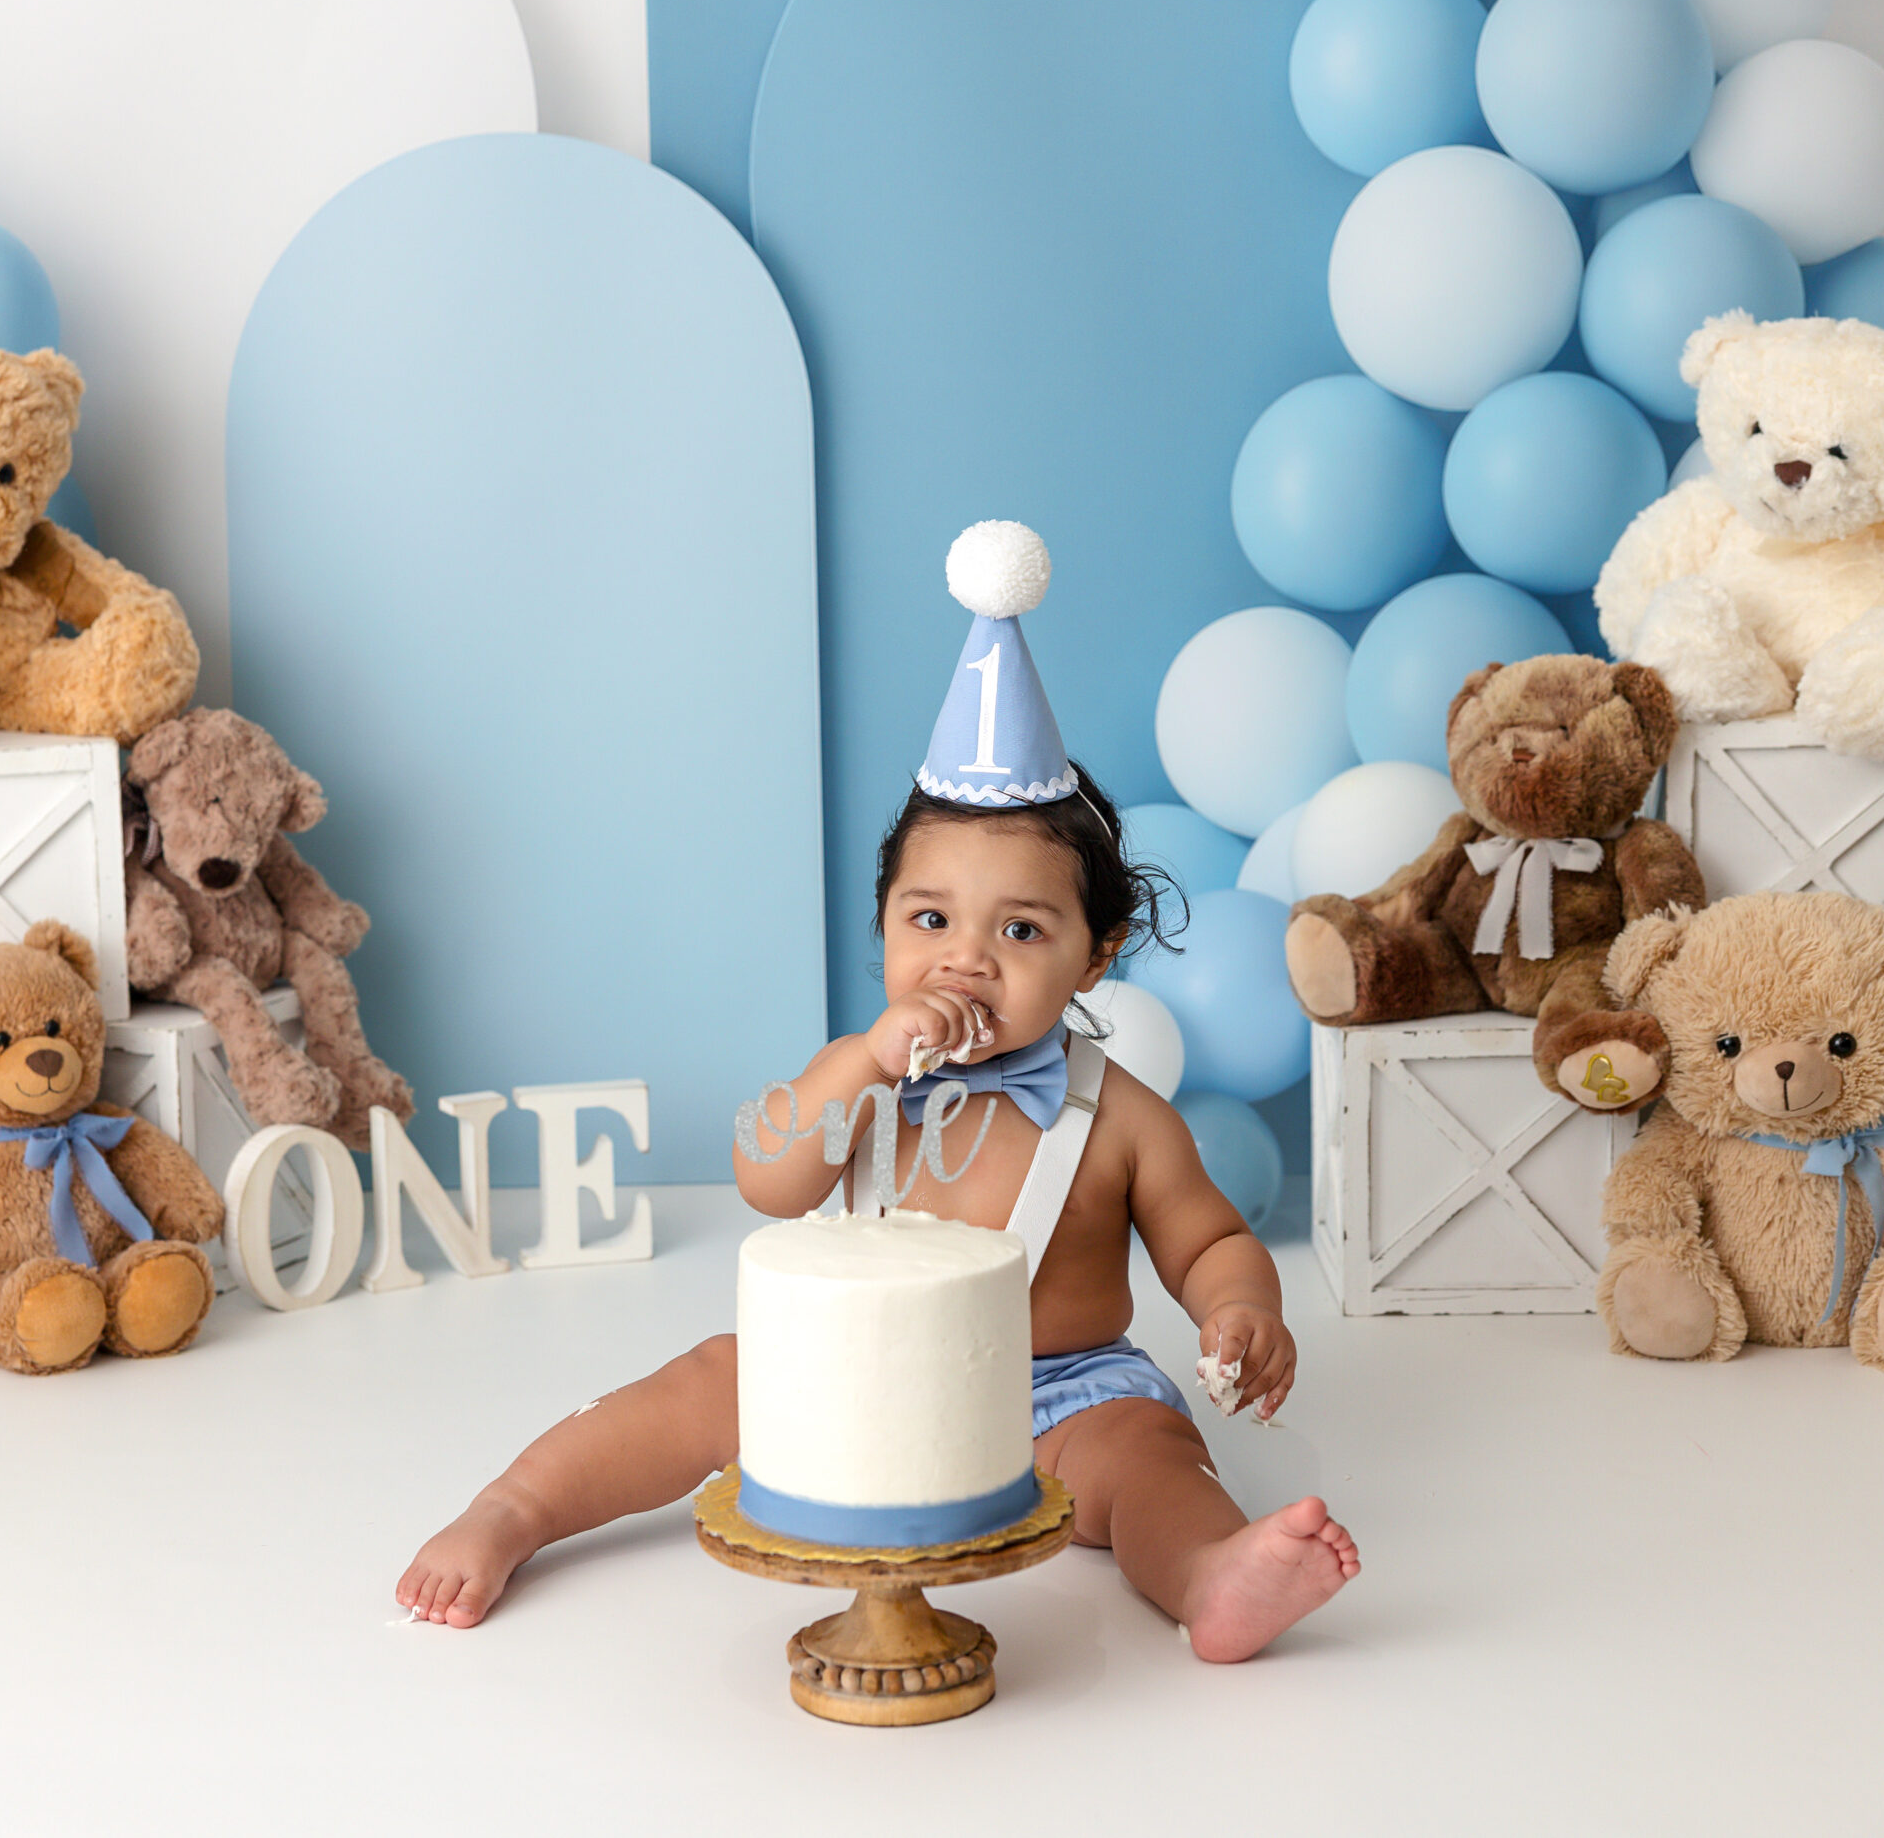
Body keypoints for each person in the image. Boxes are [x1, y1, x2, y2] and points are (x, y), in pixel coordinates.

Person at [397, 523, 1358, 1660]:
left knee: (1147, 1453)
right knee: (710, 1379)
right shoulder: (862, 1078)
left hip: (1062, 1392)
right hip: (860, 1367)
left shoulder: (1123, 1118)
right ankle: (516, 1506)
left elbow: (1210, 1242)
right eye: (930, 917)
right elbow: (769, 1177)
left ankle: (1206, 1573)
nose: (966, 957)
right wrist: (863, 1061)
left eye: (1021, 929)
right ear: (886, 924)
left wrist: (1242, 1307)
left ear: (1095, 956)